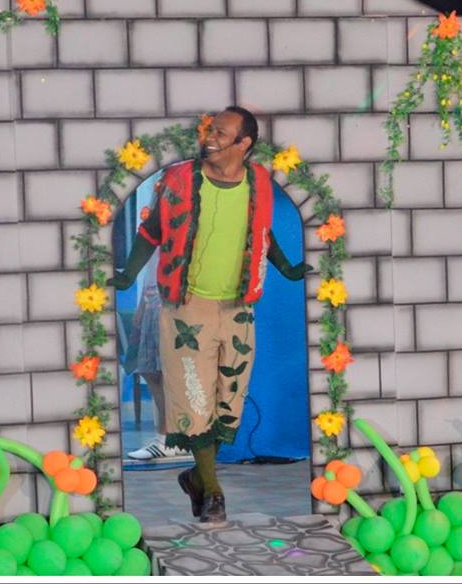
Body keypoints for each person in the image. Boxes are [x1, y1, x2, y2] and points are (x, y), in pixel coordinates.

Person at [109, 105, 311, 523]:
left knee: (228, 403)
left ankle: (196, 477)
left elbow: (262, 233)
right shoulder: (179, 179)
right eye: (210, 130)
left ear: (244, 143)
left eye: (221, 133)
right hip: (187, 308)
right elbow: (152, 230)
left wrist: (287, 268)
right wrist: (128, 273)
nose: (210, 138)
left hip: (238, 309)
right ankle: (214, 492)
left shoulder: (258, 181)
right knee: (194, 400)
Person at [124, 253, 190, 461]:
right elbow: (152, 267)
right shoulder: (155, 237)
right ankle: (172, 438)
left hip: (172, 301)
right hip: (153, 300)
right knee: (150, 370)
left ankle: (167, 439)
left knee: (167, 373)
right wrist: (142, 306)